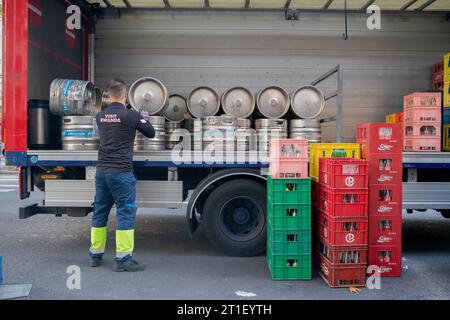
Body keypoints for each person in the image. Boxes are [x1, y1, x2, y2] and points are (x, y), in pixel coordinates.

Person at [89, 79, 155, 272]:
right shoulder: (130, 116)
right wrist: (143, 117)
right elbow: (150, 133)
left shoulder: (100, 116)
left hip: (102, 172)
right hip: (121, 173)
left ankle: (95, 255)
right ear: (125, 96)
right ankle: (123, 259)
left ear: (108, 96)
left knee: (100, 211)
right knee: (125, 212)